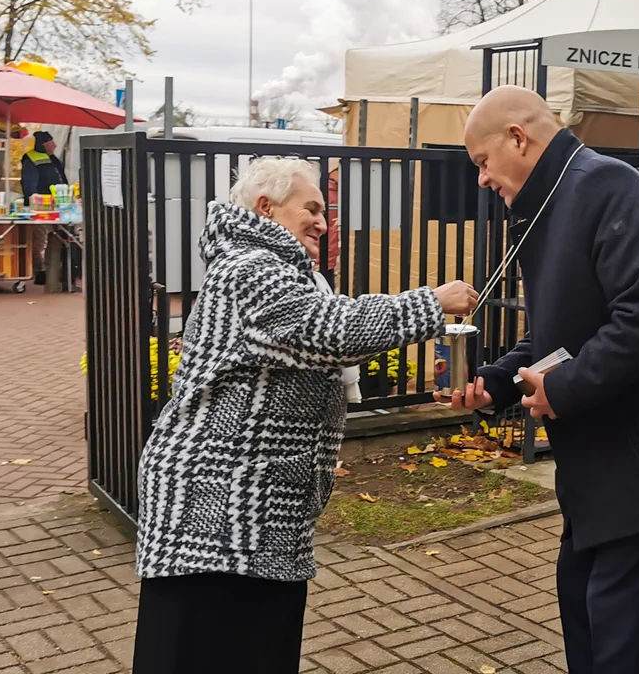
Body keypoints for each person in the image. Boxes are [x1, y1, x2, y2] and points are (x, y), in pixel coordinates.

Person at [442, 85, 639, 674]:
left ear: (518, 137)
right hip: (604, 463)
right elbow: (558, 335)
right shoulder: (551, 201)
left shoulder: (608, 188)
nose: (481, 180)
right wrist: (499, 382)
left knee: (614, 627)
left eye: (482, 162)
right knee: (582, 605)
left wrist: (560, 388)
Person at [131, 156, 477, 674]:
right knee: (206, 652)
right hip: (216, 513)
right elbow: (329, 331)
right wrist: (429, 302)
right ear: (266, 208)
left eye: (326, 211)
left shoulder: (278, 271)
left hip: (253, 508)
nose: (323, 221)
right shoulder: (248, 270)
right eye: (311, 209)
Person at [20, 131, 67, 285]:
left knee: (59, 237)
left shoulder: (53, 159)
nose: (55, 145)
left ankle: (58, 271)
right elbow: (29, 185)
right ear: (45, 144)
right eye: (52, 142)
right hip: (39, 207)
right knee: (39, 240)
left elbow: (62, 179)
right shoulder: (31, 159)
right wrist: (35, 203)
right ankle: (39, 271)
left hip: (57, 205)